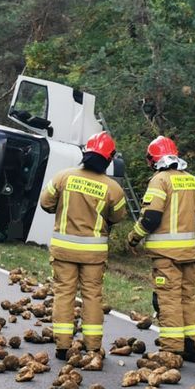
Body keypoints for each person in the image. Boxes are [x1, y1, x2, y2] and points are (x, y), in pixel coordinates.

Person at [39, 132, 128, 360]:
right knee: (92, 297)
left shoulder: (63, 177)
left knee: (64, 294)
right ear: (109, 159)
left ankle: (62, 345)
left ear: (85, 153)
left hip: (64, 250)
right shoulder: (113, 189)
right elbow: (118, 217)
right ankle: (92, 347)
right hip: (93, 254)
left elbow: (45, 203)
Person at [127, 135, 195, 361]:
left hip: (165, 256)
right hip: (188, 253)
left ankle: (172, 349)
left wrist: (133, 237)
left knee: (168, 300)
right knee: (187, 298)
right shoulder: (191, 180)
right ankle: (192, 346)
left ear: (154, 160)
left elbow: (150, 217)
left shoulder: (159, 180)